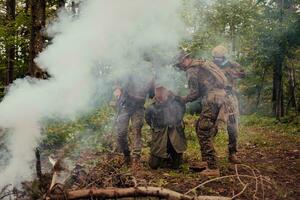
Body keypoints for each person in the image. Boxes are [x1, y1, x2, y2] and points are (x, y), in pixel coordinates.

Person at [176, 52, 235, 176]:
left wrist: (182, 99)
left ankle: (213, 167)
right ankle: (207, 162)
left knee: (203, 130)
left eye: (179, 65)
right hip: (221, 98)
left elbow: (194, 93)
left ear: (184, 61)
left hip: (212, 99)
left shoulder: (191, 70)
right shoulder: (201, 64)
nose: (180, 68)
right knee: (200, 126)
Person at [212, 45, 245, 163]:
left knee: (232, 126)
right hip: (215, 97)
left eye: (220, 57)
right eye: (215, 57)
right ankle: (209, 154)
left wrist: (233, 73)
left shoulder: (232, 64)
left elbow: (243, 74)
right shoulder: (210, 65)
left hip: (229, 97)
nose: (217, 60)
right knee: (212, 125)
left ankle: (232, 153)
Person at [114, 73, 154, 168]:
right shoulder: (129, 74)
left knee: (137, 131)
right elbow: (117, 78)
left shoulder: (148, 79)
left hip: (138, 108)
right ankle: (126, 155)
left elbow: (152, 94)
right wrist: (117, 88)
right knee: (121, 133)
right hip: (125, 107)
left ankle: (136, 158)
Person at [145, 85, 186, 169]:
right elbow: (148, 119)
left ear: (166, 91)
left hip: (175, 132)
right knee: (154, 165)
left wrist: (176, 122)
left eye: (162, 91)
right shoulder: (151, 107)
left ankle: (173, 157)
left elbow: (182, 112)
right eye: (157, 92)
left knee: (177, 166)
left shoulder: (177, 101)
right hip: (160, 134)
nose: (160, 95)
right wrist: (157, 127)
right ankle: (163, 158)